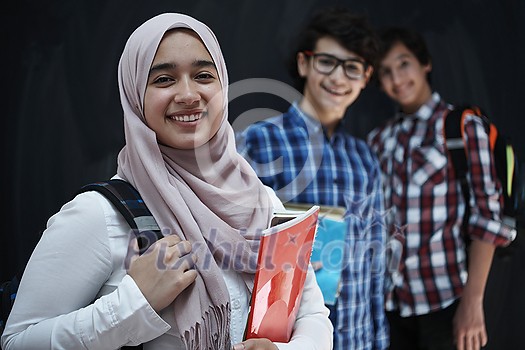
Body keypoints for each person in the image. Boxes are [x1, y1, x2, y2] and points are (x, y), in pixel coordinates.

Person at [0, 13, 333, 350]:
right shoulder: (98, 215)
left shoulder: (262, 203)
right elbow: (18, 341)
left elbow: (313, 316)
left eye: (203, 75)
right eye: (163, 79)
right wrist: (135, 303)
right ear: (134, 95)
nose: (188, 94)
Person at [236, 7, 388, 350]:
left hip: (355, 335)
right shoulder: (256, 142)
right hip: (284, 339)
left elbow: (374, 260)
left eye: (352, 67)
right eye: (327, 62)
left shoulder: (365, 159)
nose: (338, 77)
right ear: (304, 64)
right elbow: (226, 240)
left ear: (365, 78)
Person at [367, 27, 516, 350]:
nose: (397, 78)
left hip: (446, 301)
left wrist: (472, 304)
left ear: (425, 65)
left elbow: (488, 220)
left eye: (404, 64)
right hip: (390, 306)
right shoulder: (379, 140)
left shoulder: (460, 127)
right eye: (386, 72)